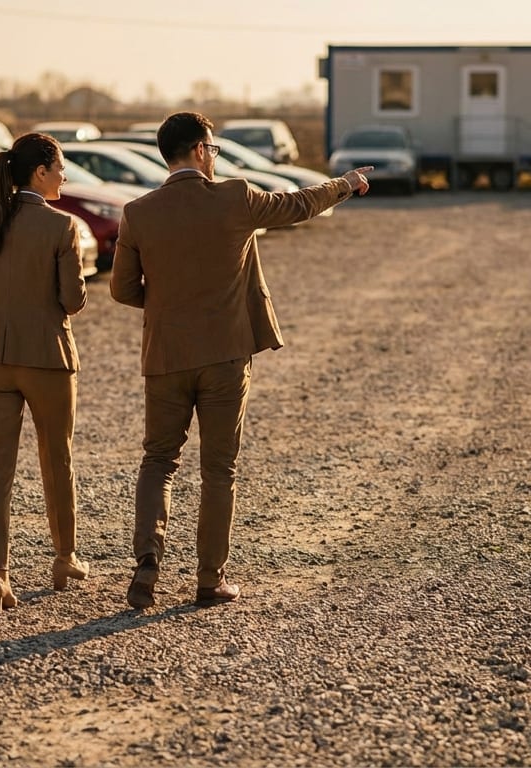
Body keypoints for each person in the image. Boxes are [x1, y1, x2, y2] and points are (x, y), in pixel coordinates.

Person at [109, 111, 372, 609]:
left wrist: (169, 307)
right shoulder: (234, 197)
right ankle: (210, 580)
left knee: (159, 460)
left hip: (165, 353)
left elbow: (123, 290)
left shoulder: (138, 211)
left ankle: (147, 564)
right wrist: (346, 183)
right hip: (226, 354)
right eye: (215, 149)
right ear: (201, 150)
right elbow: (297, 205)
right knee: (219, 468)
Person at [0, 132, 89, 614]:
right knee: (57, 458)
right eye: (61, 167)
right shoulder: (61, 226)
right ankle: (64, 557)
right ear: (40, 172)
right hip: (47, 358)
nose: (65, 176)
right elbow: (72, 300)